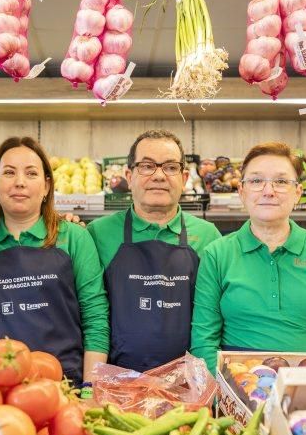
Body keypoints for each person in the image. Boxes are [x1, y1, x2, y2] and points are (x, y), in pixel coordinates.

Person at [190, 142, 306, 375]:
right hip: (237, 387)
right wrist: (228, 396)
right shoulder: (217, 254)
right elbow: (203, 341)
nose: (268, 190)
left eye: (281, 181)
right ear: (242, 192)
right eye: (256, 181)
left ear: (297, 192)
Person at [0, 137, 109, 384]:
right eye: (9, 172)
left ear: (47, 185)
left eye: (31, 173)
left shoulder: (74, 237)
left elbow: (96, 318)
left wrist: (90, 389)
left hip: (64, 387)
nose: (20, 182)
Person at [87, 130, 221, 372]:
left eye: (170, 167)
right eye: (147, 166)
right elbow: (90, 315)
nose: (159, 176)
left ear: (183, 177)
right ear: (129, 175)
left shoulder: (210, 236)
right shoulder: (96, 234)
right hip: (117, 382)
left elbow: (212, 323)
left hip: (187, 385)